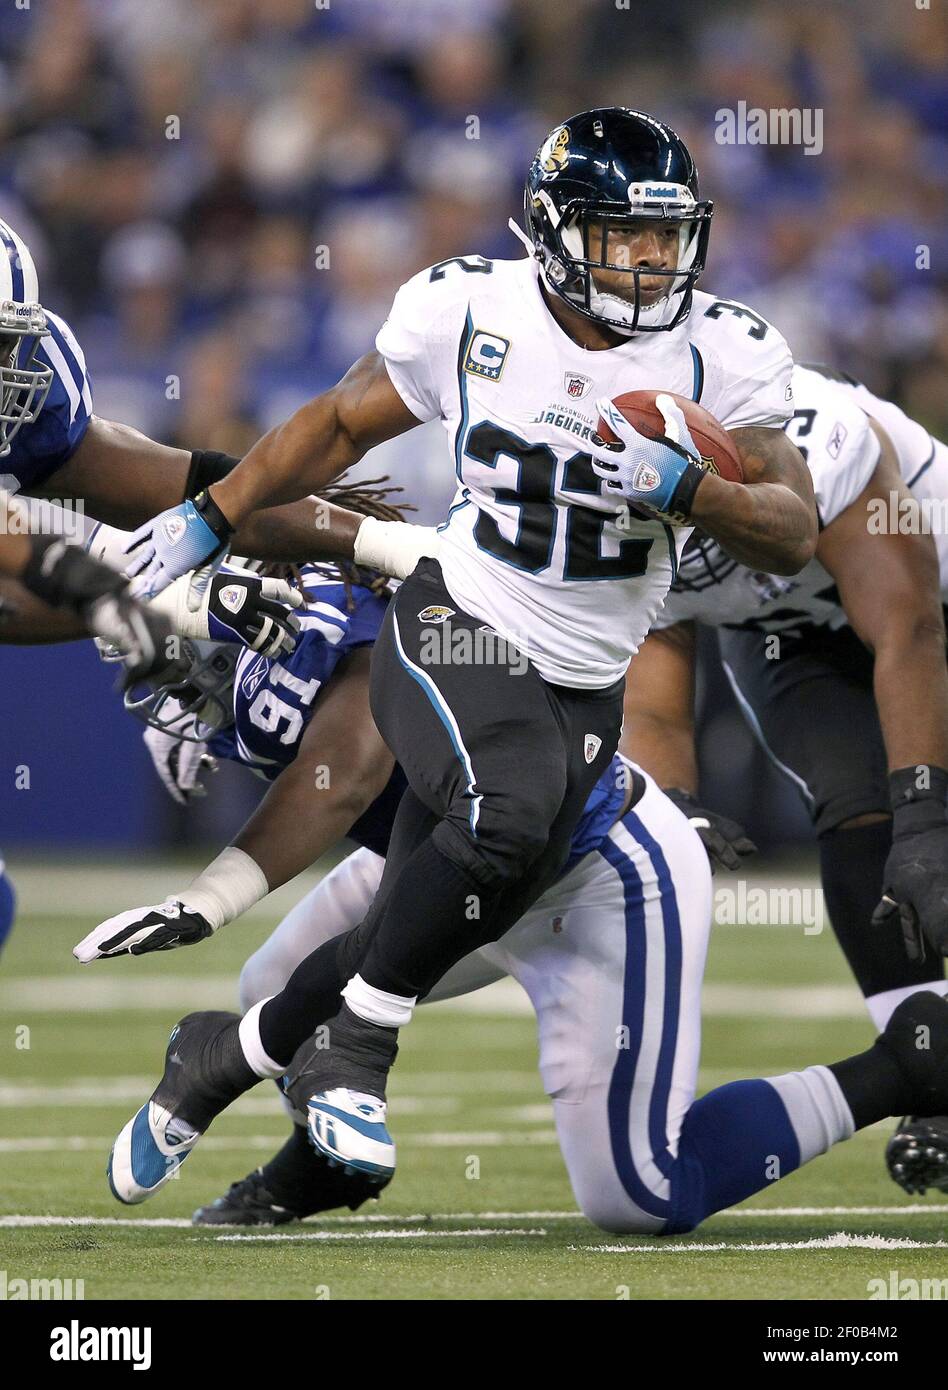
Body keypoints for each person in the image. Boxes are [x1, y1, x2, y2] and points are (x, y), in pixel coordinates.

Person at [108, 107, 817, 1182]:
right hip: (461, 613)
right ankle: (355, 1049)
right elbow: (339, 425)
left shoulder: (725, 351)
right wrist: (211, 516)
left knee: (455, 891)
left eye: (669, 235)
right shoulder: (471, 308)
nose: (653, 258)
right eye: (626, 234)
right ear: (555, 229)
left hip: (586, 674)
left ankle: (219, 1056)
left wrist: (696, 489)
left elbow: (793, 526)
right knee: (507, 814)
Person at [77, 557, 948, 1236]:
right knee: (282, 986)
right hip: (447, 863)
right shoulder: (304, 608)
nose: (183, 681)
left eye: (189, 656)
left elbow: (341, 777)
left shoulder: (370, 635)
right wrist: (202, 526)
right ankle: (319, 1162)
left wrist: (216, 895)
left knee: (640, 1194)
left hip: (594, 876)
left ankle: (905, 1061)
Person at [621, 363, 948, 1195]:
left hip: (924, 588)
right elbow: (656, 713)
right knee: (852, 813)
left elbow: (909, 630)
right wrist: (678, 811)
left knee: (919, 825)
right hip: (788, 633)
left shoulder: (825, 440)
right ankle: (930, 1067)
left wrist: (926, 812)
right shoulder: (607, 516)